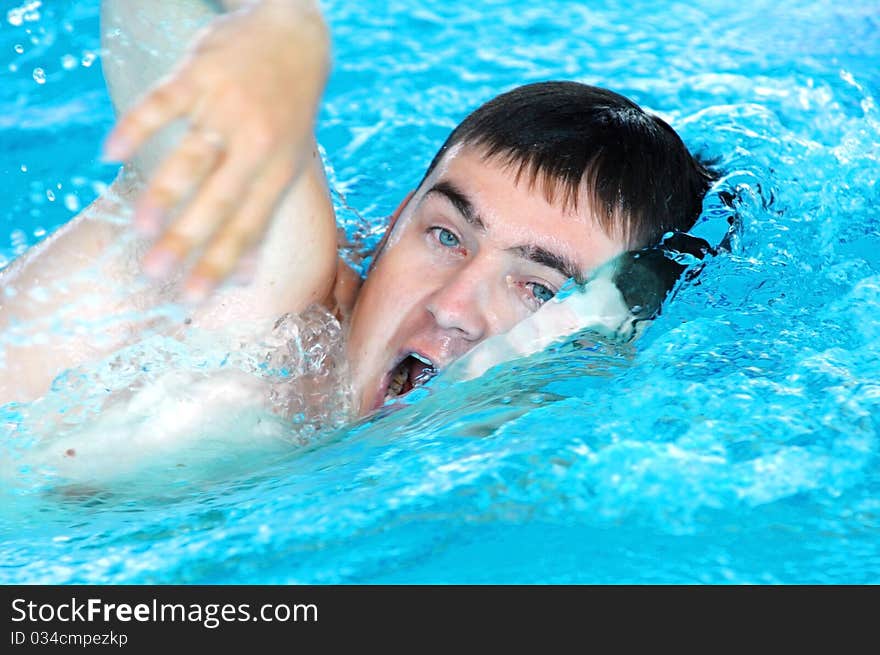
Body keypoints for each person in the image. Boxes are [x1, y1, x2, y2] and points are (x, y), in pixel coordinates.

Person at [0, 0, 714, 418]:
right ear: (393, 223)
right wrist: (278, 25)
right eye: (445, 235)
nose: (453, 306)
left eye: (535, 286)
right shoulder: (260, 296)